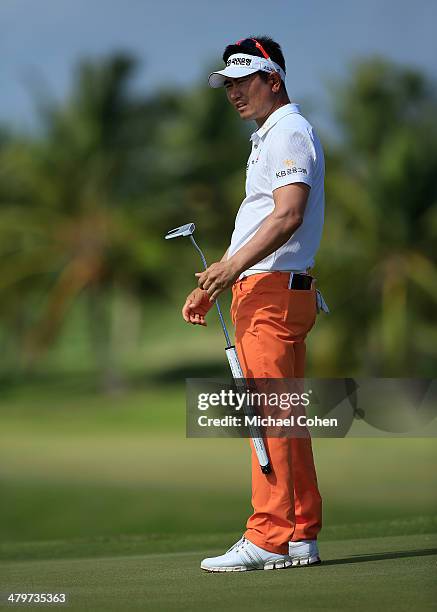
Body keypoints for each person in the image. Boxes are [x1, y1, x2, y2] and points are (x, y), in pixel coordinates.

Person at [182, 36, 328, 572]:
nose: (234, 93)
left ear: (273, 79)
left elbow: (288, 215)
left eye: (244, 81)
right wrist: (216, 279)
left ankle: (268, 536)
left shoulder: (289, 129)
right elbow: (262, 217)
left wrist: (230, 268)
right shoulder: (271, 135)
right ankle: (299, 534)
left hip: (270, 293)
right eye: (228, 84)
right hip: (264, 290)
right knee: (285, 418)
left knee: (267, 418)